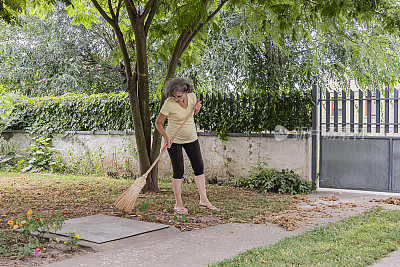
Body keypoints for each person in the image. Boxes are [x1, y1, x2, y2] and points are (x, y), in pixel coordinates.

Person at [155, 78, 219, 215]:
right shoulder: (169, 103)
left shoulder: (192, 97)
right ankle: (178, 204)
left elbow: (193, 113)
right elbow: (158, 123)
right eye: (174, 96)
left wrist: (197, 109)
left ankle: (204, 200)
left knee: (199, 167)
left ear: (186, 92)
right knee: (178, 170)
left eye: (179, 96)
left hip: (191, 138)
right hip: (174, 140)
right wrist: (166, 138)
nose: (176, 99)